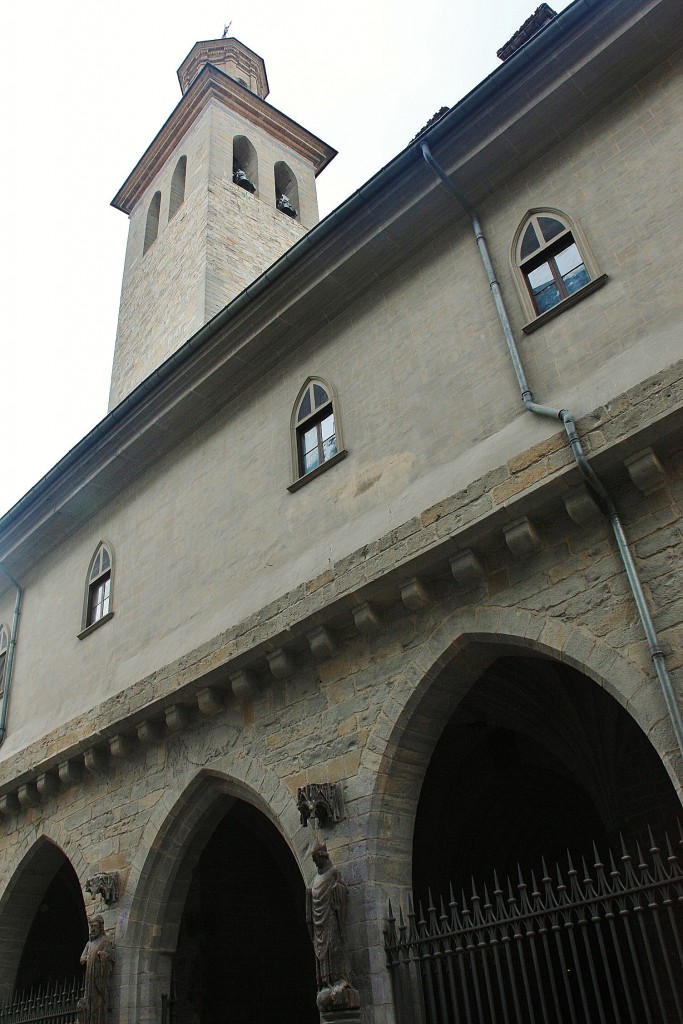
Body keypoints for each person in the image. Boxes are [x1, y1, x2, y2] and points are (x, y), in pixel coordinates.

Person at [306, 841, 359, 1012]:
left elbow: (342, 890)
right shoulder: (315, 879)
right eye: (313, 860)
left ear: (322, 856)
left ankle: (341, 980)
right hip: (320, 927)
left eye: (315, 859)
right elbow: (311, 910)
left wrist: (337, 889)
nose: (315, 863)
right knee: (322, 953)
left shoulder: (334, 873)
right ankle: (326, 982)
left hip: (331, 921)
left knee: (335, 948)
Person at [78, 915, 114, 1024]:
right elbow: (82, 958)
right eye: (91, 926)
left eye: (95, 926)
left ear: (100, 927)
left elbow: (110, 956)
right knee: (88, 1001)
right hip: (89, 977)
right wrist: (84, 959)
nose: (93, 929)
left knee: (99, 1002)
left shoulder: (105, 941)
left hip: (99, 978)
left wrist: (102, 955)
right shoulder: (89, 944)